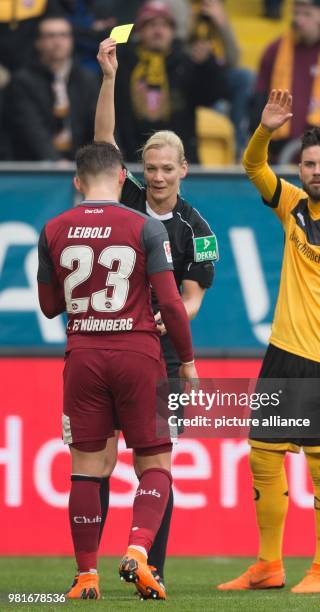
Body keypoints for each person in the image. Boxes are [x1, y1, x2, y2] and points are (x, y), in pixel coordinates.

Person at [218, 89, 320, 594]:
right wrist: (266, 129)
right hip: (281, 354)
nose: (315, 171)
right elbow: (253, 167)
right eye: (309, 163)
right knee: (263, 455)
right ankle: (269, 564)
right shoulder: (292, 206)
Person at [37, 141, 197, 600]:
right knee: (155, 463)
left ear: (76, 181)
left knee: (88, 469)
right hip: (139, 355)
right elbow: (170, 302)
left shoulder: (53, 228)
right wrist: (186, 360)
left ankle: (87, 575)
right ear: (125, 177)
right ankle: (139, 550)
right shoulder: (145, 227)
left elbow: (50, 307)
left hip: (83, 355)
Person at [94, 38, 218, 589]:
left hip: (164, 356)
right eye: (151, 168)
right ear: (142, 169)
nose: (159, 176)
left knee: (157, 465)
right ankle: (85, 568)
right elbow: (101, 145)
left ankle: (152, 569)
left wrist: (175, 317)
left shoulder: (201, 231)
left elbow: (194, 296)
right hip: (113, 346)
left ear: (184, 169)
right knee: (95, 462)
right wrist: (108, 78)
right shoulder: (123, 204)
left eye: (168, 168)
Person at [114, 0, 226, 163]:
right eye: (151, 25)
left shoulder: (186, 63)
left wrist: (206, 66)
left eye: (165, 25)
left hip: (178, 160)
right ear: (140, 31)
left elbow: (211, 96)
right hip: (132, 157)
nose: (158, 31)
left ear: (173, 32)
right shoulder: (123, 65)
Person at [250, 0, 320, 162]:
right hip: (276, 153)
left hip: (319, 155)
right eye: (296, 13)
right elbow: (258, 101)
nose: (299, 20)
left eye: (307, 14)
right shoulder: (274, 51)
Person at [6, 15, 99, 161]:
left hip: (83, 167)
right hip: (36, 168)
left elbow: (97, 125)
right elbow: (32, 129)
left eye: (64, 35)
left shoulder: (87, 79)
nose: (57, 42)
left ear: (72, 40)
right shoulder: (22, 81)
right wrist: (56, 163)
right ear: (38, 42)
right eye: (50, 36)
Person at [189, 0, 254, 158]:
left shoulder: (220, 22)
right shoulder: (186, 15)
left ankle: (239, 145)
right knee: (218, 107)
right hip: (191, 77)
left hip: (217, 78)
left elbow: (233, 59)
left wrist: (222, 24)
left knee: (244, 77)